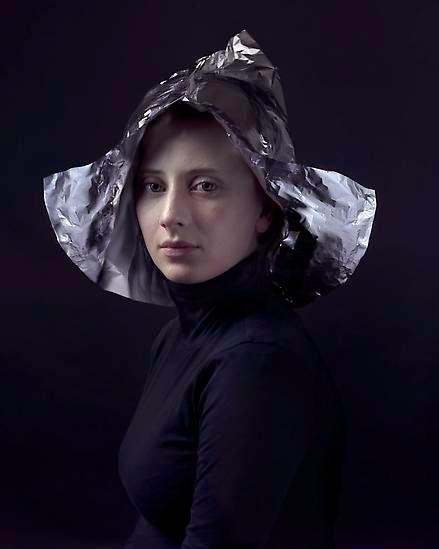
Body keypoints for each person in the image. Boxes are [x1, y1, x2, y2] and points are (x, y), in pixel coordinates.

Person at [43, 30, 377, 548]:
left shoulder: (255, 361)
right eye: (154, 186)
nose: (171, 215)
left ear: (266, 208)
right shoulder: (179, 337)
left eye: (205, 186)